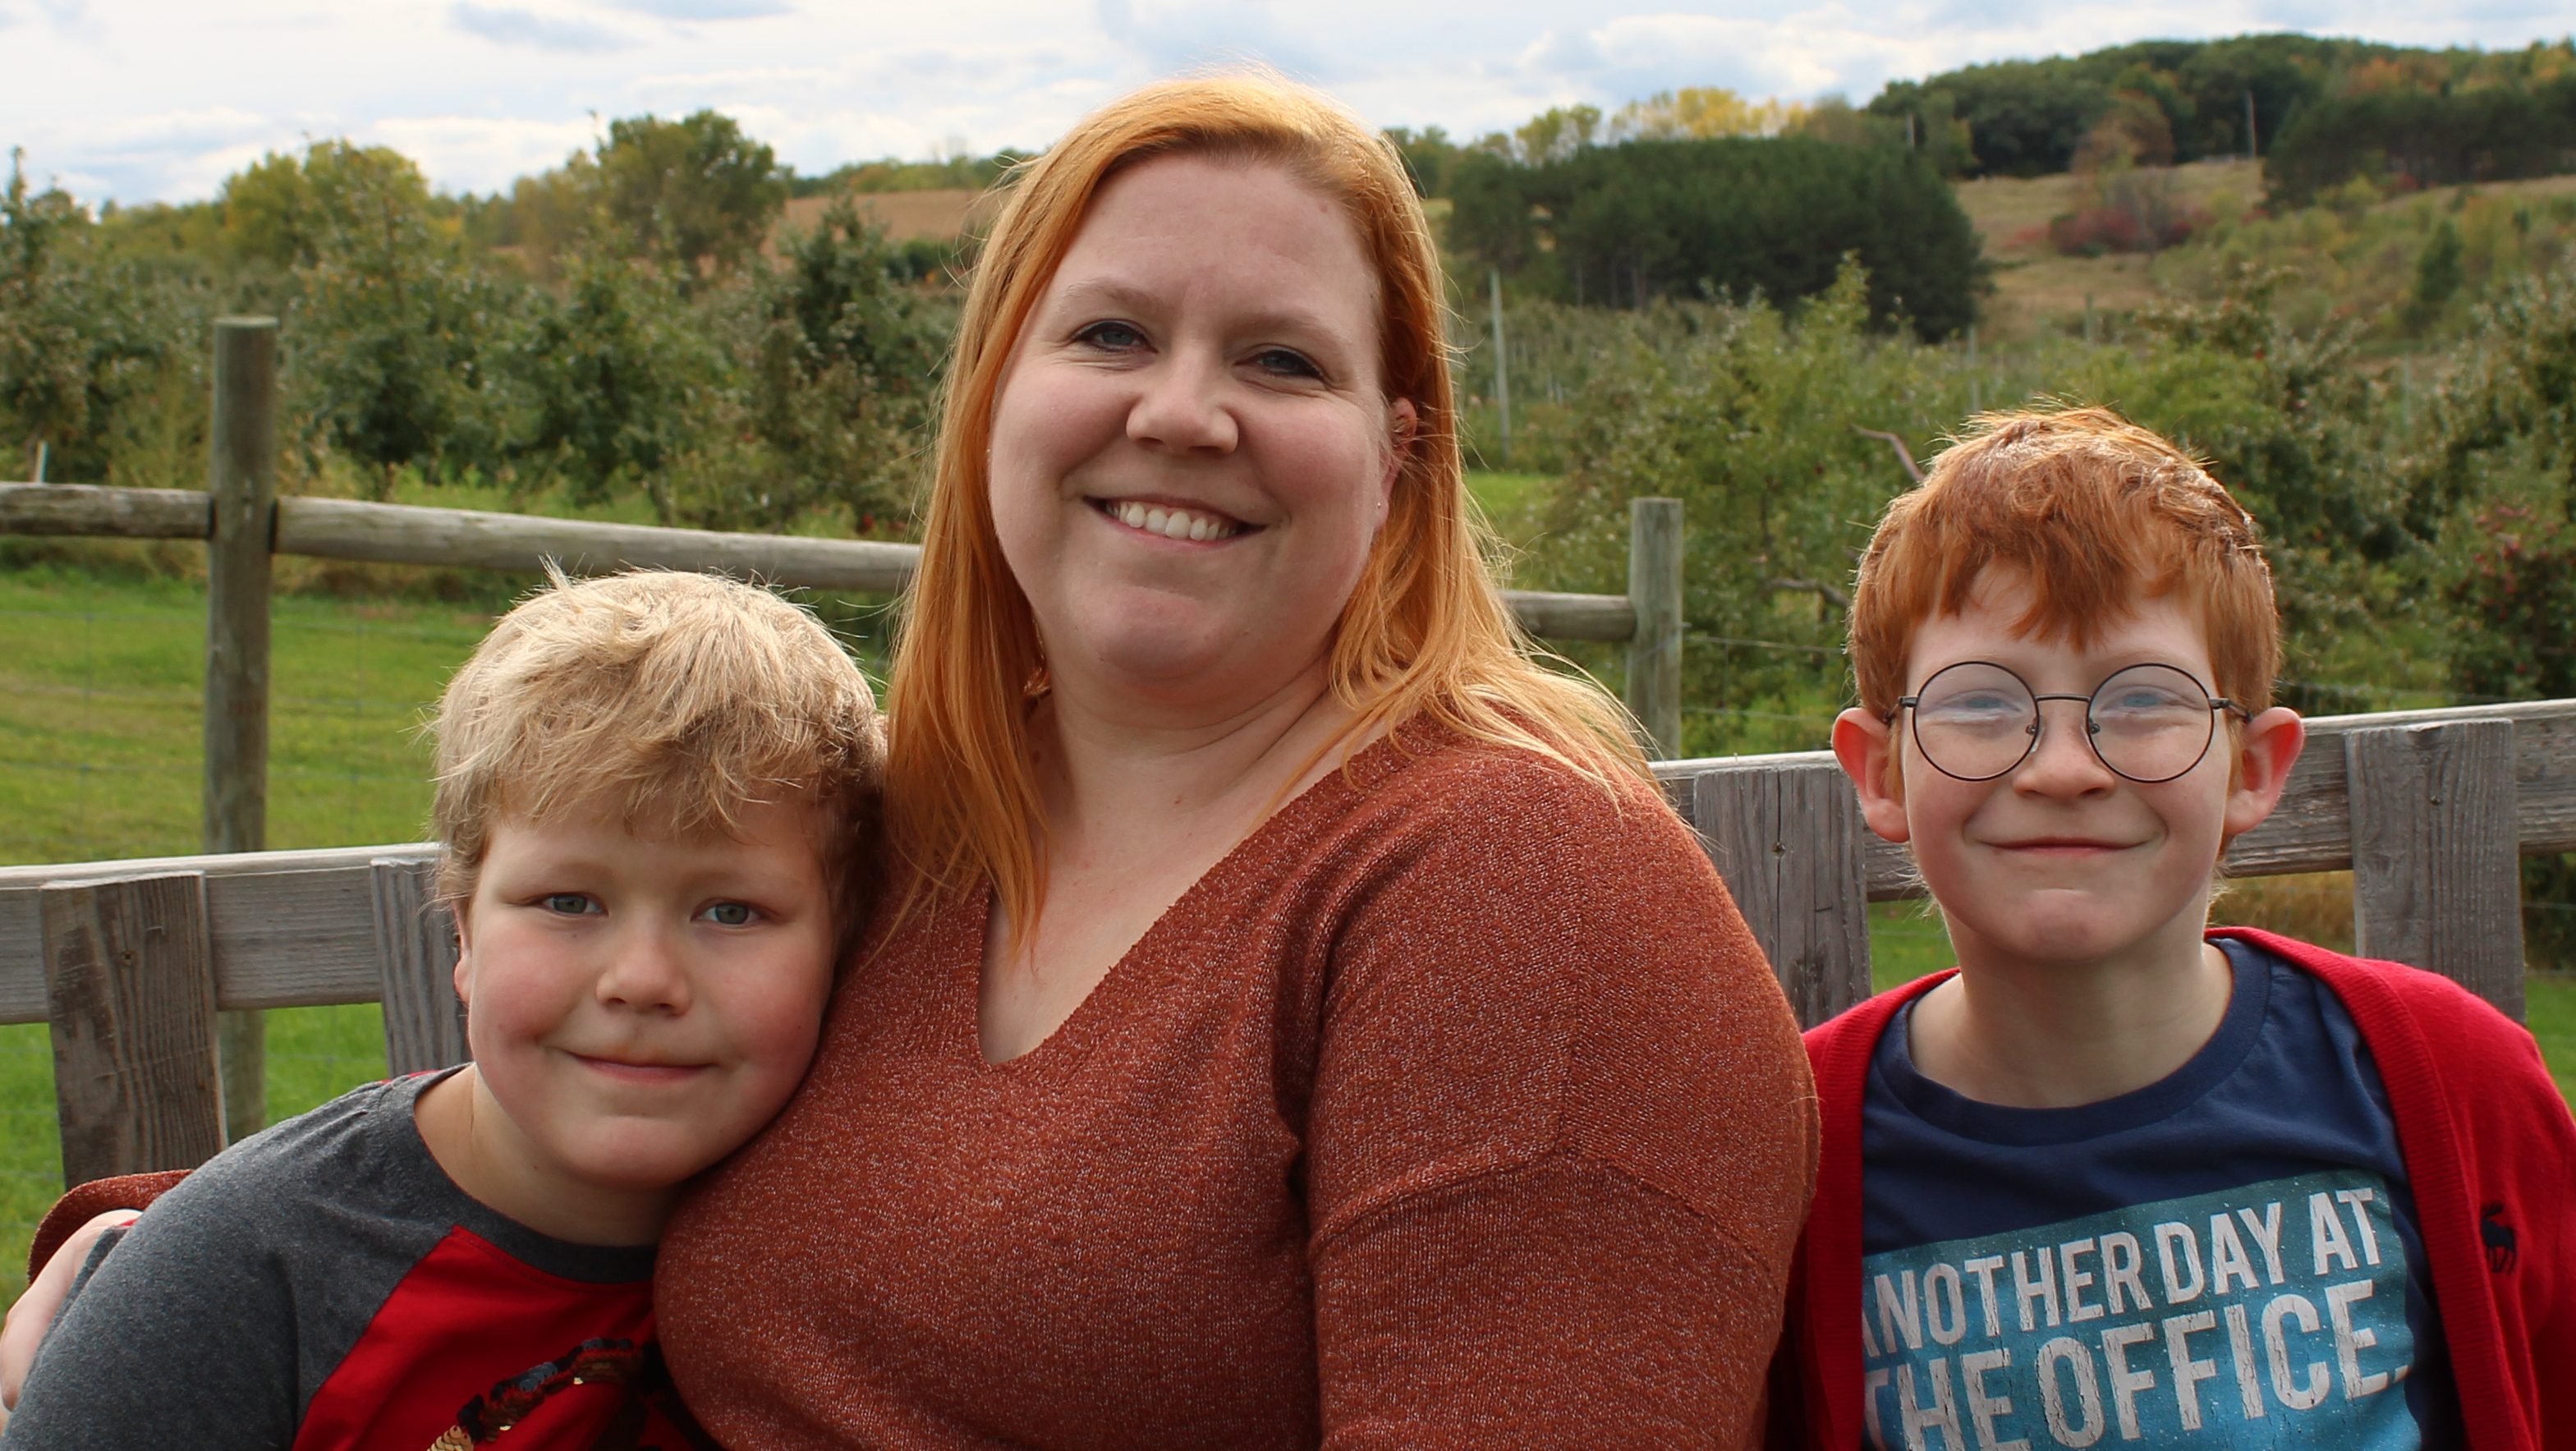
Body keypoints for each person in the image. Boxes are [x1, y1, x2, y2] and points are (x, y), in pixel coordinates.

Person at [640, 75, 1814, 1447]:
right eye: (1112, 334)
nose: (1183, 414)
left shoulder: (1522, 892)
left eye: (1281, 362)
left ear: (1395, 457)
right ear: (989, 397)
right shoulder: (874, 829)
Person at [1776, 406, 2575, 1449]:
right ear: (1881, 772)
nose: (2062, 769)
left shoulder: (2447, 1077)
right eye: (1978, 705)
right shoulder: (1790, 1154)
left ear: (2250, 767)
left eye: (2143, 700)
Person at [0, 569, 885, 1449]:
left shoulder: (868, 1249)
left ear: (842, 948)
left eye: (730, 912)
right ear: (462, 930)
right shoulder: (241, 1275)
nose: (642, 979)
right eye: (568, 902)